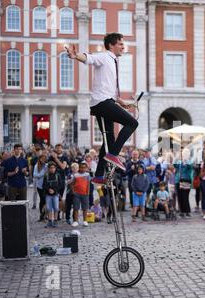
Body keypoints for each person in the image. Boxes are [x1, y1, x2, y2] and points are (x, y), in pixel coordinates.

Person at [66, 32, 139, 184]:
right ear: (111, 45)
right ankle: (113, 155)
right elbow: (89, 58)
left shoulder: (113, 62)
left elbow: (108, 89)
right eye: (120, 44)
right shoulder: (105, 57)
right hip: (102, 103)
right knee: (132, 123)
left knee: (108, 140)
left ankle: (98, 175)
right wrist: (76, 55)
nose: (123, 47)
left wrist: (121, 102)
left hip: (104, 102)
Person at [71, 162, 91, 227]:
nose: (83, 169)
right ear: (79, 168)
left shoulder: (87, 175)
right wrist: (73, 191)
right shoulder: (75, 175)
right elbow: (72, 183)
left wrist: (88, 192)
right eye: (81, 167)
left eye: (84, 168)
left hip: (85, 193)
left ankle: (85, 220)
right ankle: (76, 221)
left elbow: (88, 184)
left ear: (86, 168)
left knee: (85, 208)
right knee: (76, 208)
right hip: (77, 194)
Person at [174, 148, 193, 217]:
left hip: (186, 180)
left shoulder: (189, 161)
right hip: (178, 180)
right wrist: (177, 156)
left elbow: (189, 167)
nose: (184, 155)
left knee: (185, 196)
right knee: (180, 196)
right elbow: (174, 164)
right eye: (183, 154)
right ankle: (181, 211)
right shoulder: (179, 161)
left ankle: (187, 211)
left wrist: (185, 161)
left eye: (186, 154)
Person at [43, 162, 62, 228]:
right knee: (49, 208)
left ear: (55, 168)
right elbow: (44, 185)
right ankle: (50, 221)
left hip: (55, 194)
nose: (52, 169)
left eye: (53, 168)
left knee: (56, 208)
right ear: (48, 169)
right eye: (51, 168)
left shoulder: (57, 175)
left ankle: (55, 220)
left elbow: (60, 185)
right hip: (48, 195)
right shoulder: (46, 175)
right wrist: (48, 190)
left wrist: (54, 190)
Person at [33, 154, 48, 222]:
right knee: (42, 200)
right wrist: (43, 174)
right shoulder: (37, 166)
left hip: (47, 186)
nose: (43, 160)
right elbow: (35, 175)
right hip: (40, 186)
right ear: (39, 159)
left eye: (44, 158)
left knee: (47, 200)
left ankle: (46, 215)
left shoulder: (47, 165)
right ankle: (41, 215)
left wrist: (41, 174)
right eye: (42, 158)